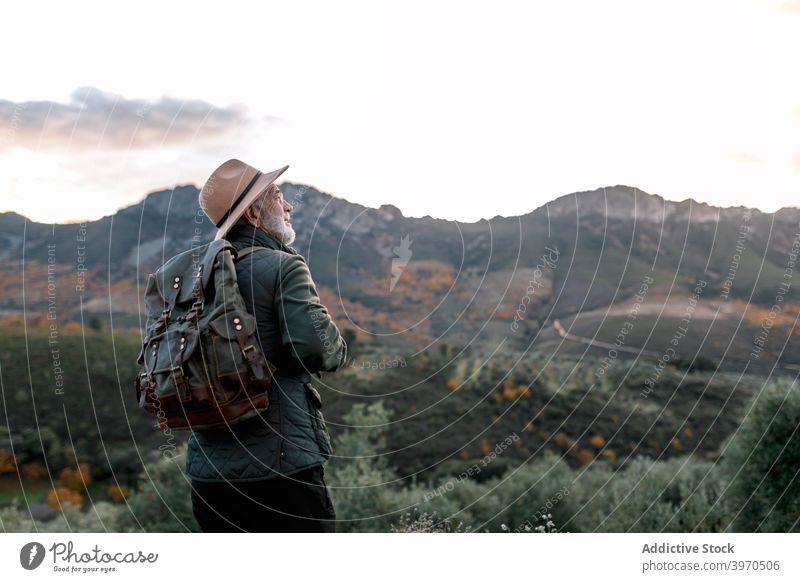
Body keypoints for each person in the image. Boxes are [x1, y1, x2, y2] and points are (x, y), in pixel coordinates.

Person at [188, 159, 347, 532]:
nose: (289, 206)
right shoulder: (283, 267)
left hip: (208, 473)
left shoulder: (197, 278)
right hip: (280, 468)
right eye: (278, 196)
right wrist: (340, 348)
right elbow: (318, 349)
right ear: (255, 214)